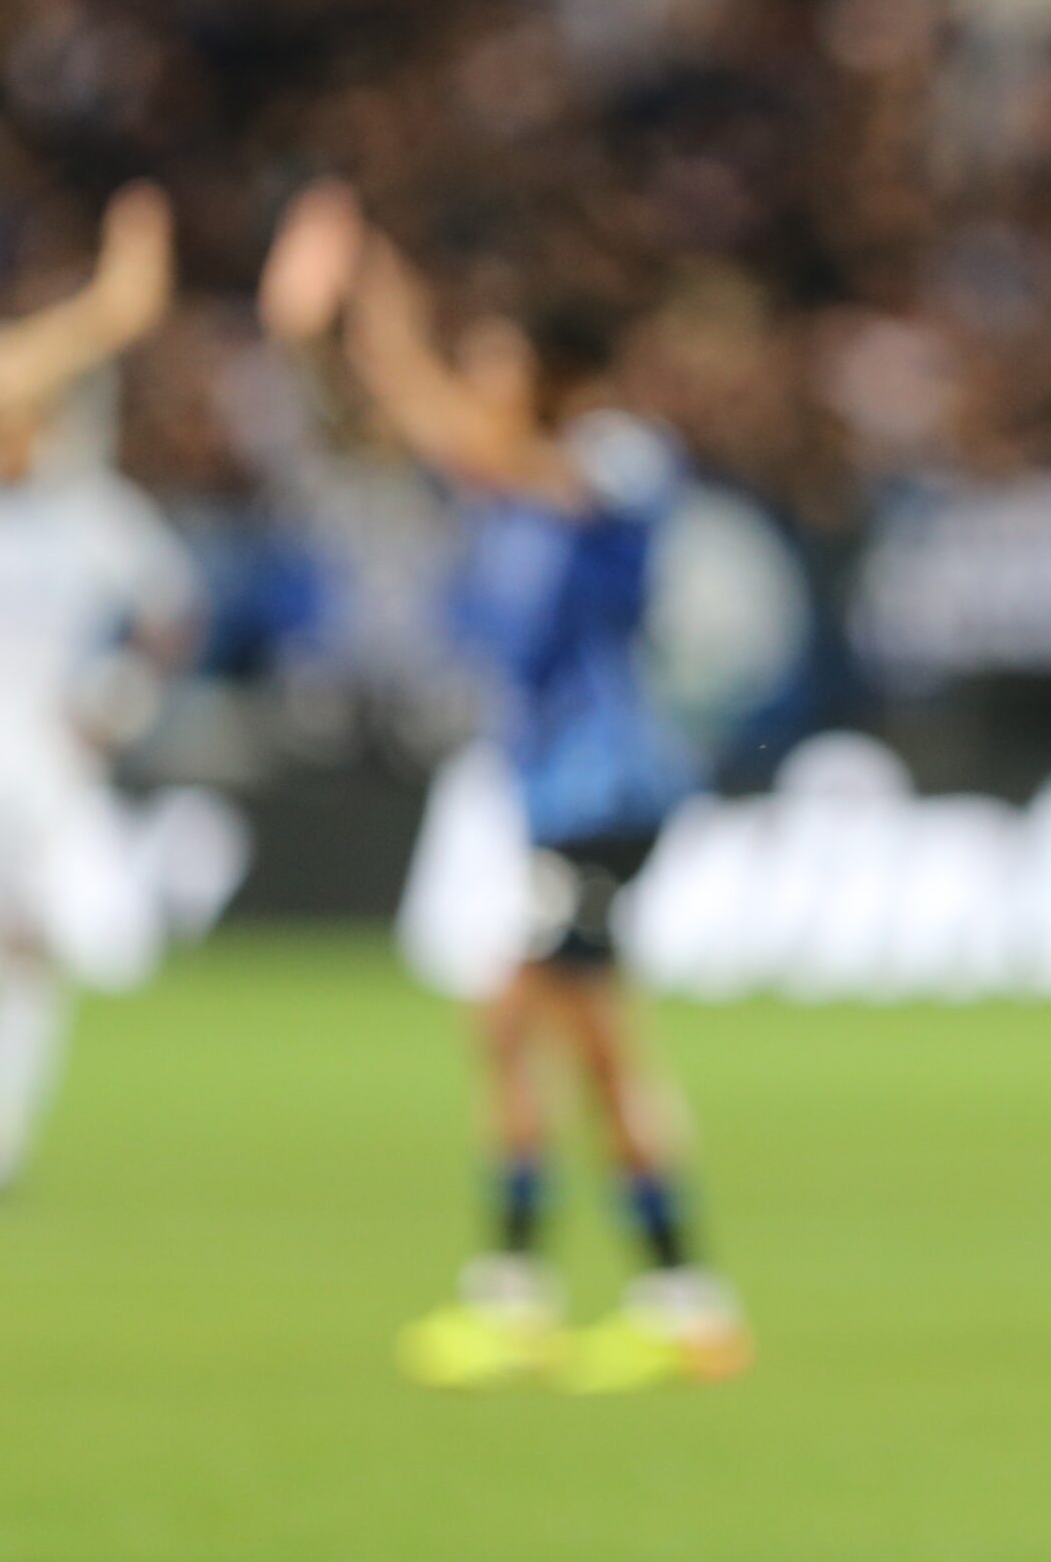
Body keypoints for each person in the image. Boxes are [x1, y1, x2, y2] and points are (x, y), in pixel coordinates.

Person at [259, 183, 750, 1392]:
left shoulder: (617, 459)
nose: (478, 384)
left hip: (608, 791)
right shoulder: (506, 482)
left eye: (497, 364)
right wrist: (336, 315)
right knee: (574, 1042)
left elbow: (462, 434)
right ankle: (661, 1305)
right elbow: (391, 424)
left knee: (534, 1025)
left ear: (554, 375)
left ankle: (553, 1299)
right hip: (545, 795)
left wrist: (382, 321)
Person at [0, 182, 199, 1194]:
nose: (16, 425)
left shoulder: (87, 511)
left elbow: (172, 608)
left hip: (43, 757)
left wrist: (119, 699)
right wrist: (114, 301)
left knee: (28, 949)